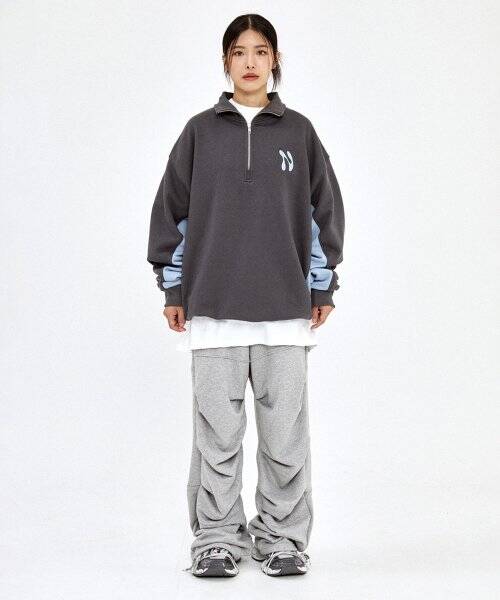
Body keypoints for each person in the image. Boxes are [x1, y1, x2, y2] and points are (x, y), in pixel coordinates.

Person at [147, 13, 345, 578]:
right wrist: (173, 286)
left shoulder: (299, 132)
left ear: (275, 59)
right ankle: (216, 539)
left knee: (285, 437)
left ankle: (282, 537)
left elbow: (322, 213)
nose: (251, 62)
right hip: (213, 308)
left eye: (261, 51)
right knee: (217, 437)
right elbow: (172, 212)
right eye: (239, 52)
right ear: (226, 61)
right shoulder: (199, 132)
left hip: (285, 310)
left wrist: (322, 282)